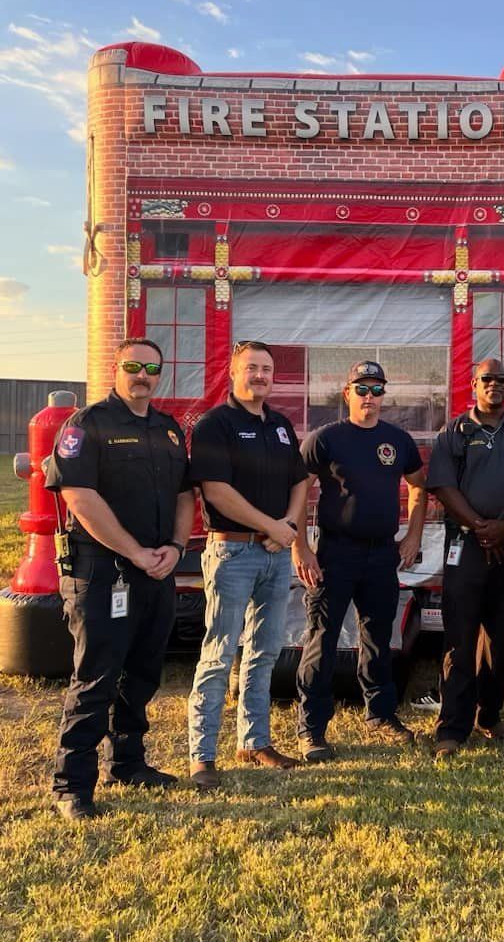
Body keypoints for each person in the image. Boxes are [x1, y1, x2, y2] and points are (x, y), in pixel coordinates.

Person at [45, 339, 194, 820]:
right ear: (117, 368)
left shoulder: (169, 430)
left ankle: (128, 763)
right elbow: (79, 497)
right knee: (96, 676)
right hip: (104, 571)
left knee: (144, 672)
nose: (143, 375)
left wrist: (175, 548)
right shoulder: (87, 425)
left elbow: (186, 495)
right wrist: (134, 552)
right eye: (133, 365)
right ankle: (72, 784)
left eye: (152, 367)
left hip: (158, 570)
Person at [187, 341, 310, 788]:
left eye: (266, 369)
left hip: (276, 556)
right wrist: (271, 527)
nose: (260, 375)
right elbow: (216, 492)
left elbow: (300, 481)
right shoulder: (215, 425)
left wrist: (290, 526)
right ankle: (203, 755)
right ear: (233, 372)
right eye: (251, 368)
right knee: (219, 654)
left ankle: (254, 741)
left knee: (264, 652)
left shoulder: (279, 425)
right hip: (233, 553)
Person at [293, 360, 428, 757]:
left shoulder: (398, 440)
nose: (369, 397)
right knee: (322, 639)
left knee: (378, 638)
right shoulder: (325, 439)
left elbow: (419, 487)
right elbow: (298, 492)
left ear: (384, 395)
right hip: (334, 554)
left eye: (376, 389)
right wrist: (300, 546)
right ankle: (312, 728)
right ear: (347, 393)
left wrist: (413, 535)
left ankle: (380, 714)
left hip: (382, 554)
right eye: (362, 389)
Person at [427, 357, 504, 759]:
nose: (494, 384)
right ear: (473, 385)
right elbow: (442, 486)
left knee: (498, 637)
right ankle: (452, 728)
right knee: (459, 638)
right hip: (465, 547)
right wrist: (480, 526)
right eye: (487, 379)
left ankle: (488, 717)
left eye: (501, 380)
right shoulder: (454, 432)